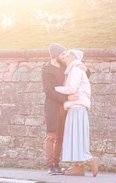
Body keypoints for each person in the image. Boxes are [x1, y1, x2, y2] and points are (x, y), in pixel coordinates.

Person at [55, 49, 98, 177]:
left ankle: (90, 160)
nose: (65, 58)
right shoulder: (75, 70)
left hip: (77, 107)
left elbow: (71, 89)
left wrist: (53, 88)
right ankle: (78, 168)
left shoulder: (76, 70)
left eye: (67, 56)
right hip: (76, 107)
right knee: (75, 138)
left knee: (77, 137)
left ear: (73, 57)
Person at [41, 43, 68, 175]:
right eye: (62, 53)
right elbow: (48, 91)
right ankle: (50, 165)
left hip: (64, 107)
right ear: (56, 54)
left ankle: (57, 164)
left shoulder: (65, 66)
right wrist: (65, 98)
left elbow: (84, 74)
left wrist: (83, 67)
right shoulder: (46, 69)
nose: (64, 56)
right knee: (51, 136)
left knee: (60, 137)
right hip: (52, 106)